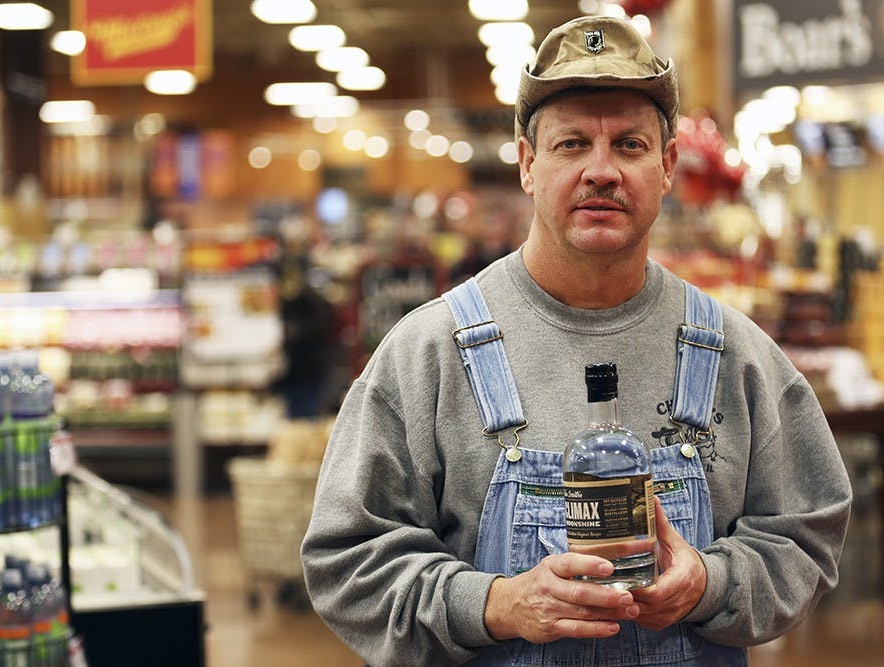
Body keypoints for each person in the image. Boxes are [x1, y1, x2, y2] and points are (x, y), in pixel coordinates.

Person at [302, 15, 852, 667]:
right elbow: (347, 558)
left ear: (668, 164)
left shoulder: (739, 356)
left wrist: (711, 583)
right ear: (529, 165)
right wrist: (494, 603)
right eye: (570, 145)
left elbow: (807, 539)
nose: (601, 171)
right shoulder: (429, 353)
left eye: (628, 144)